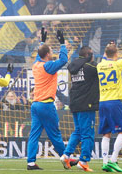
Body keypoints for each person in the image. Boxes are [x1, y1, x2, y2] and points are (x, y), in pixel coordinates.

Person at [26, 29, 70, 170]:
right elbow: (64, 60)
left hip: (35, 104)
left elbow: (40, 55)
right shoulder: (48, 66)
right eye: (50, 52)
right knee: (55, 133)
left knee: (34, 134)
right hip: (46, 104)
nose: (52, 54)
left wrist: (42, 42)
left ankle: (31, 162)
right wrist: (62, 43)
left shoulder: (36, 65)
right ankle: (65, 157)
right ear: (47, 55)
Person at [96, 31, 122, 172]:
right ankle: (113, 160)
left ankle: (105, 162)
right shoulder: (118, 64)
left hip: (102, 102)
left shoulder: (100, 65)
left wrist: (109, 47)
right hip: (114, 102)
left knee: (106, 133)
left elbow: (106, 56)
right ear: (116, 55)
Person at [60, 46, 98, 172]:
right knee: (88, 134)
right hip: (86, 105)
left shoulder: (73, 66)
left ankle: (66, 155)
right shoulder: (90, 67)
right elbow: (101, 69)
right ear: (89, 55)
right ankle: (83, 160)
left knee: (78, 131)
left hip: (75, 104)